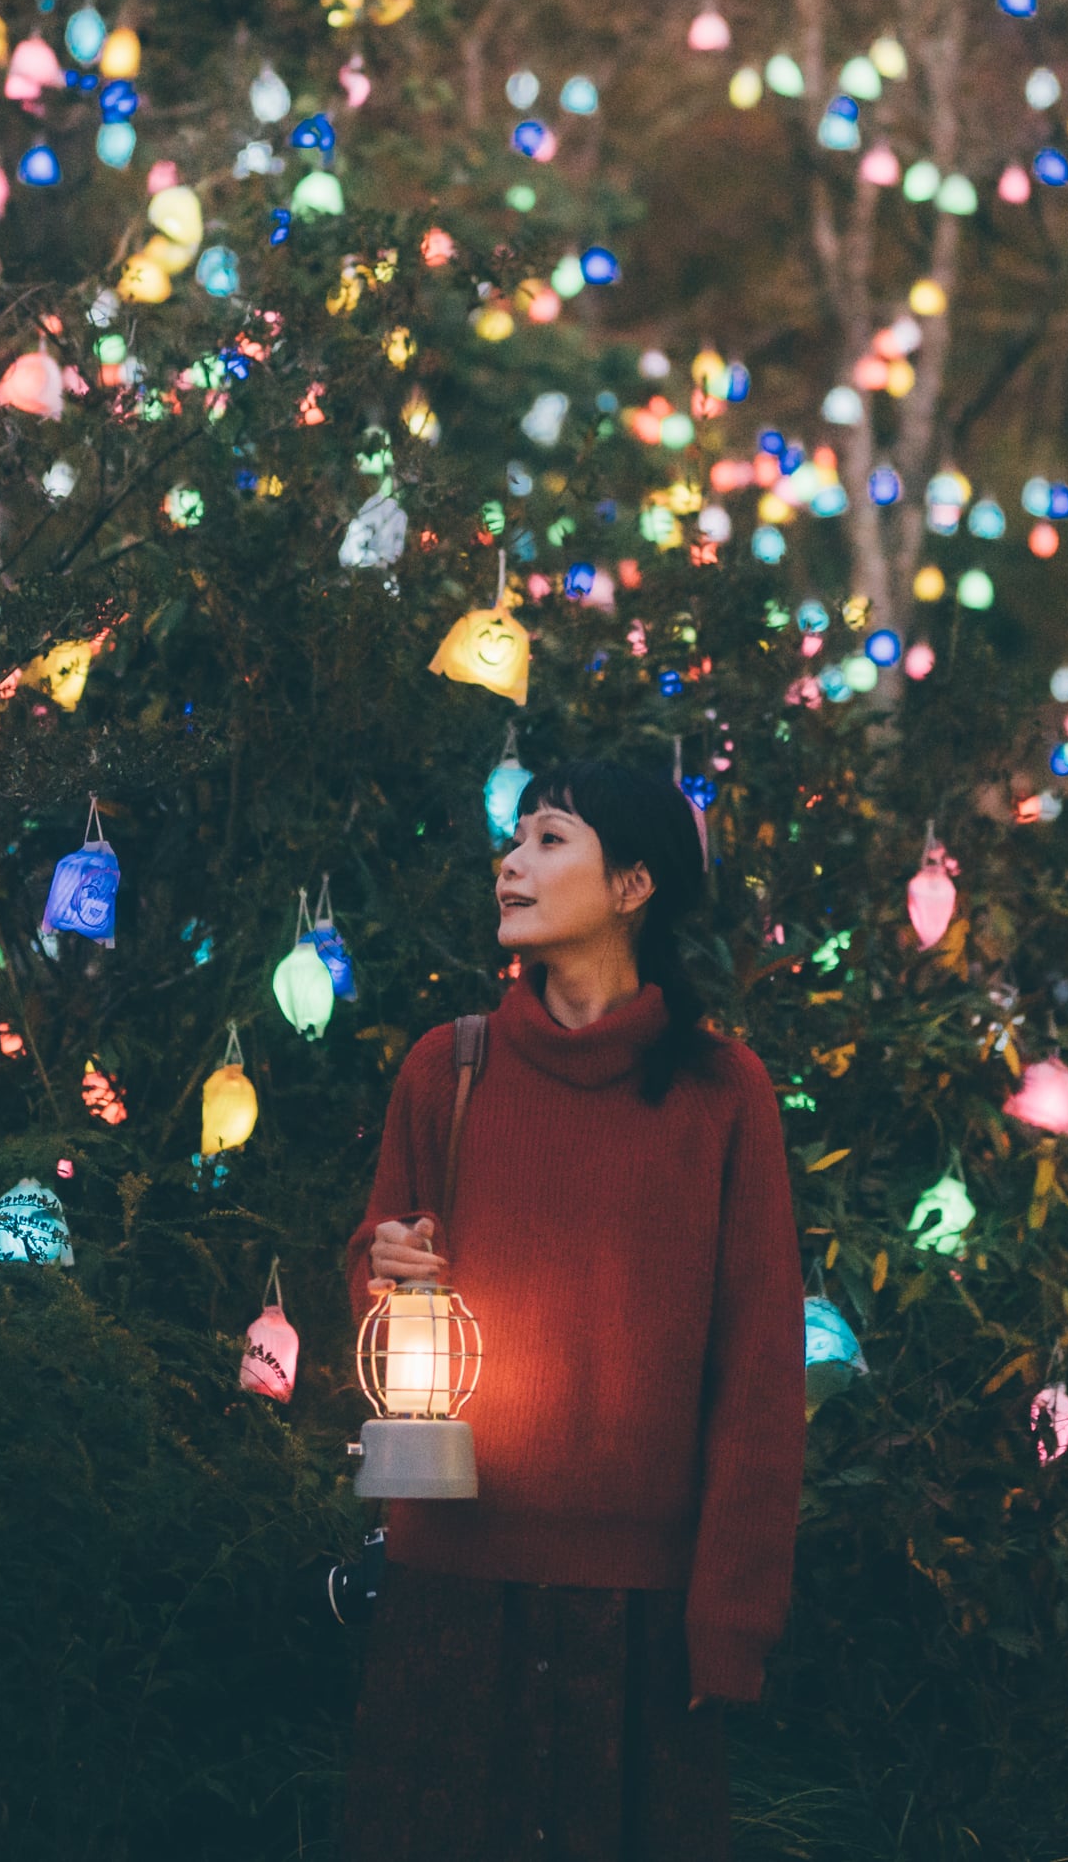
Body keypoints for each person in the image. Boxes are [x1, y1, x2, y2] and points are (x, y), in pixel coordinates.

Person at [340, 754, 805, 1862]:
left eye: (550, 839)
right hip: (450, 1589)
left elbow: (759, 1373)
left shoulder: (720, 1090)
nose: (511, 863)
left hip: (642, 1619)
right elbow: (375, 1277)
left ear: (635, 884)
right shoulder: (445, 1069)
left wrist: (728, 1624)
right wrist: (380, 1259)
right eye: (515, 840)